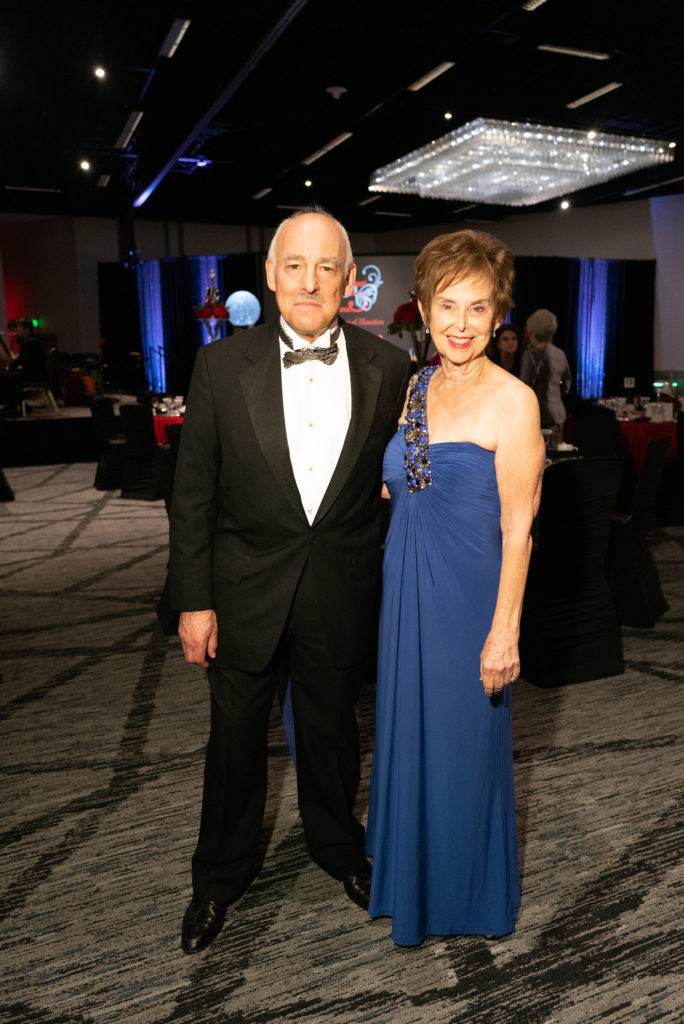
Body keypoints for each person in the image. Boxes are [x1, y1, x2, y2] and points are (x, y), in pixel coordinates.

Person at [169, 206, 411, 954]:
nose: (311, 281)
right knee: (235, 741)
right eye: (295, 266)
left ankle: (340, 850)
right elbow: (194, 495)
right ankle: (219, 877)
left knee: (336, 735)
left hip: (339, 587)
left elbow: (406, 478)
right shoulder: (219, 365)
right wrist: (194, 600)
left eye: (327, 267)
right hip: (240, 591)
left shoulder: (391, 369)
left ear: (350, 283)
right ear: (271, 276)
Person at [366, 229, 545, 946]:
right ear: (424, 309)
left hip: (470, 600)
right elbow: (404, 489)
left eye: (478, 308)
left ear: (499, 315)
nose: (461, 324)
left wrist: (504, 631)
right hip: (407, 588)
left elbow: (520, 529)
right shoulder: (418, 384)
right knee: (412, 737)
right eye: (448, 306)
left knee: (464, 750)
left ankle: (466, 895)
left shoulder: (514, 402)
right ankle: (413, 885)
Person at [519, 308, 571, 446]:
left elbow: (524, 387)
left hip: (536, 417)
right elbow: (566, 386)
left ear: (532, 331)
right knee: (555, 460)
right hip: (559, 415)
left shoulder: (530, 355)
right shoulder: (561, 354)